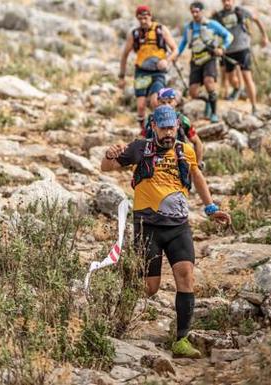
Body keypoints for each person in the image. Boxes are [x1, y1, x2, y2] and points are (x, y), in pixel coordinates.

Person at [101, 105, 231, 359]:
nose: (169, 132)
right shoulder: (140, 148)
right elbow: (107, 167)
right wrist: (108, 154)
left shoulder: (186, 150)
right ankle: (117, 316)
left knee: (186, 276)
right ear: (154, 128)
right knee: (150, 287)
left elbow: (197, 175)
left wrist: (210, 207)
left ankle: (181, 340)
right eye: (164, 128)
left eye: (172, 127)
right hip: (147, 227)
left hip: (178, 227)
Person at [118, 5, 178, 131]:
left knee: (155, 101)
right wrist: (122, 77)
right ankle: (144, 130)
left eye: (145, 17)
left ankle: (161, 128)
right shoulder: (134, 34)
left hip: (158, 72)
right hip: (141, 72)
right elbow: (124, 55)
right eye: (140, 18)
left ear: (150, 16)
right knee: (140, 106)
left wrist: (166, 61)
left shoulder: (160, 30)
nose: (143, 21)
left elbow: (175, 49)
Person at [177, 1, 233, 123]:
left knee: (209, 82)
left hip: (209, 58)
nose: (195, 14)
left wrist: (222, 48)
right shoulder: (189, 27)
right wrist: (175, 55)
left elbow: (228, 36)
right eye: (193, 12)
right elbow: (182, 44)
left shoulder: (212, 24)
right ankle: (208, 101)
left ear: (202, 11)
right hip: (195, 60)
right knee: (193, 93)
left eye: (197, 11)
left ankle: (214, 113)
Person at [212, 0, 269, 115]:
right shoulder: (218, 16)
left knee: (247, 78)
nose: (227, 3)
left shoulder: (241, 11)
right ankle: (237, 89)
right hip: (227, 50)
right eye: (224, 1)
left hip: (243, 49)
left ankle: (254, 106)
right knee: (230, 78)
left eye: (229, 0)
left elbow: (256, 19)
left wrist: (264, 36)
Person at [142, 88, 204, 168]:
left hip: (178, 161)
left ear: (175, 102)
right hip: (155, 162)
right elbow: (141, 140)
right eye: (163, 102)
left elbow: (197, 142)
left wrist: (197, 165)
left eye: (169, 102)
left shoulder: (183, 120)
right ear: (158, 102)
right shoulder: (151, 120)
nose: (167, 105)